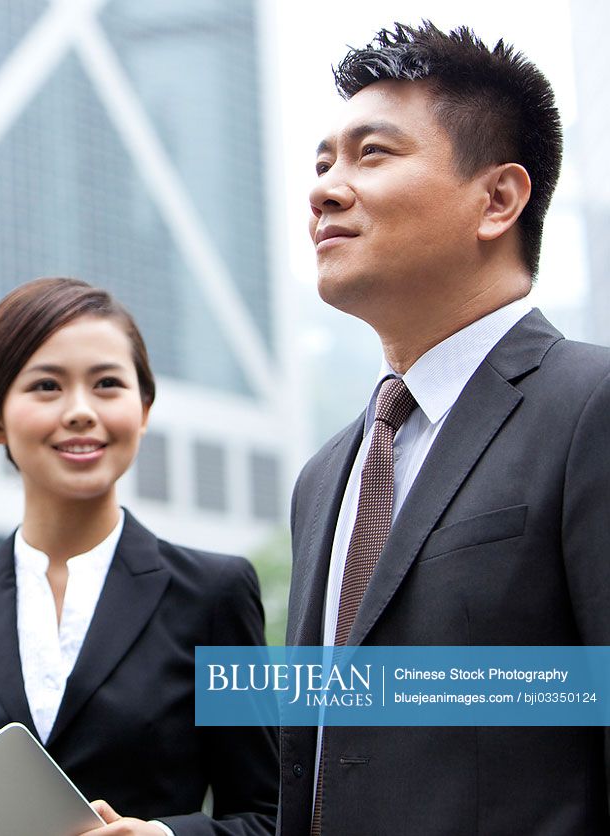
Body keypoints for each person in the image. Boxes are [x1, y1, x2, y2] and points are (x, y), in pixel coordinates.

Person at [283, 22, 610, 835]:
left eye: (373, 154)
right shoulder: (325, 477)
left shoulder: (589, 405)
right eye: (322, 161)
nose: (325, 187)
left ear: (496, 199)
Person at [0, 278, 278, 835]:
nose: (81, 411)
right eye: (46, 387)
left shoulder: (215, 593)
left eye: (108, 383)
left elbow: (270, 816)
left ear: (144, 408)